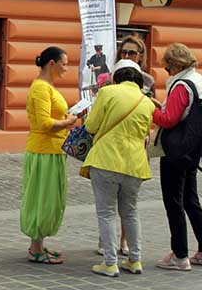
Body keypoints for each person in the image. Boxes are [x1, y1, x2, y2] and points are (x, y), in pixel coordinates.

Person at [83, 59, 154, 277]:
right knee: (130, 212)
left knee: (106, 212)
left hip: (106, 160)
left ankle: (110, 262)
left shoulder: (108, 93)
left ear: (116, 77)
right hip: (135, 164)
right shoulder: (147, 102)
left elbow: (91, 125)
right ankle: (134, 260)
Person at [97, 35, 154, 256]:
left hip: (134, 145)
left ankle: (123, 243)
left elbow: (150, 114)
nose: (128, 56)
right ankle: (107, 242)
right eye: (124, 52)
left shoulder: (147, 81)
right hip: (113, 143)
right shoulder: (107, 78)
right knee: (112, 203)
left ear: (141, 57)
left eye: (132, 53)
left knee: (124, 205)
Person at [21, 46, 77, 264]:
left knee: (48, 198)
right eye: (64, 63)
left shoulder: (47, 87)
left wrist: (67, 117)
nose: (66, 68)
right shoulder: (41, 89)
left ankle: (39, 245)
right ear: (51, 63)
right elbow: (45, 123)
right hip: (44, 150)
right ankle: (36, 248)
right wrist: (68, 122)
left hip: (53, 149)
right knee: (42, 199)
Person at [152, 43, 202, 271]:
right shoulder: (199, 80)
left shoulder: (182, 85)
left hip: (176, 150)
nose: (166, 72)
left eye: (166, 68)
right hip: (193, 148)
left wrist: (152, 109)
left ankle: (180, 255)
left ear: (173, 65)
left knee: (173, 201)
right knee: (191, 200)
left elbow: (169, 119)